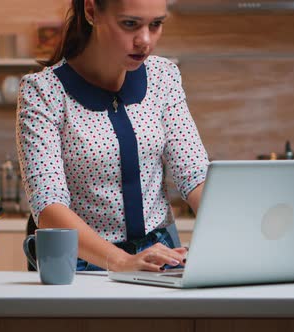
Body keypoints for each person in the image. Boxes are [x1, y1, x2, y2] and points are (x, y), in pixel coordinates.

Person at [16, 0, 209, 272]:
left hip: (159, 257)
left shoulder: (163, 77)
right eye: (130, 24)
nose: (145, 40)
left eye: (156, 24)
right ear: (92, 10)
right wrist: (121, 261)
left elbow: (195, 175)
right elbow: (48, 206)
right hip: (80, 265)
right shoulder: (43, 91)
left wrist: (232, 235)